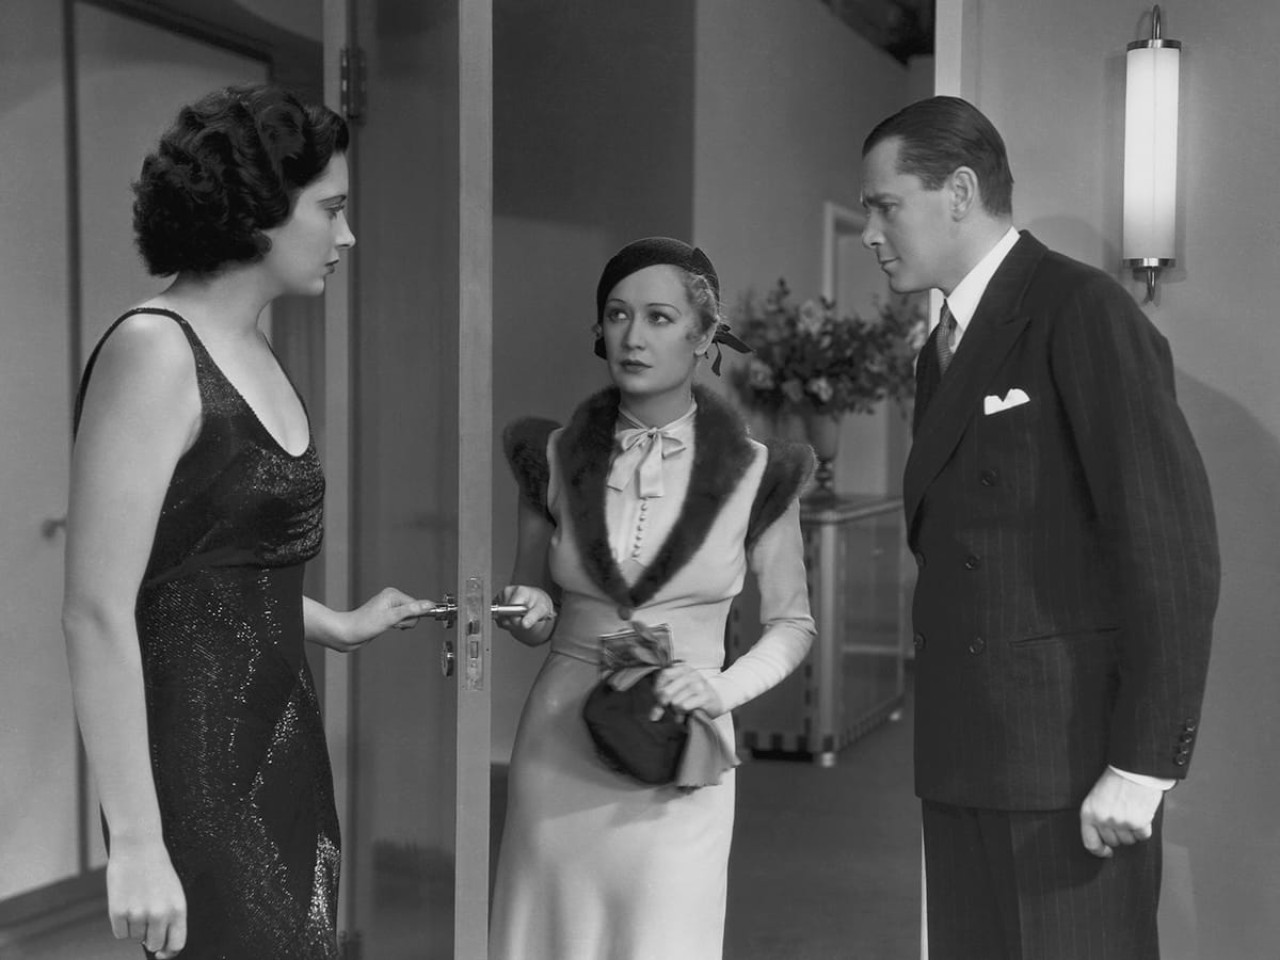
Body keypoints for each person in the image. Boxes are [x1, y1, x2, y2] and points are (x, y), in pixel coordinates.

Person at [62, 84, 435, 960]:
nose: (348, 235)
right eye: (331, 209)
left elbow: (205, 572)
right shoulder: (154, 349)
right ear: (259, 208)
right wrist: (137, 841)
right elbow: (96, 610)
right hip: (198, 763)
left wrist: (334, 623)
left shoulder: (253, 344)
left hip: (282, 734)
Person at [858, 96, 1219, 959]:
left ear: (959, 192)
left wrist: (1142, 765)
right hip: (962, 758)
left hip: (1067, 767)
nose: (871, 233)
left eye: (885, 206)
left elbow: (1171, 550)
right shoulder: (938, 350)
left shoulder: (1080, 308)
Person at [488, 237, 817, 960]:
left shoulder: (758, 474)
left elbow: (793, 625)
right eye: (617, 314)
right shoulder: (552, 458)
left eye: (660, 318)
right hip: (559, 741)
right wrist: (528, 612)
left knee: (663, 940)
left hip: (681, 738)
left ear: (704, 336)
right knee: (550, 938)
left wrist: (720, 690)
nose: (633, 337)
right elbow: (533, 610)